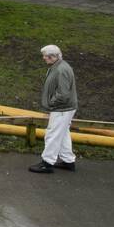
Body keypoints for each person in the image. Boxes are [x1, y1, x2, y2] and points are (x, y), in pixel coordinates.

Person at [29, 44, 77, 173]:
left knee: (52, 134)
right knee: (63, 134)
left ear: (52, 57)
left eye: (45, 56)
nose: (44, 58)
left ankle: (47, 163)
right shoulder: (58, 66)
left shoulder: (61, 70)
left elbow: (63, 94)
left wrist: (51, 104)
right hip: (64, 108)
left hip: (61, 109)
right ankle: (68, 161)